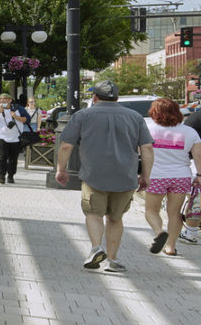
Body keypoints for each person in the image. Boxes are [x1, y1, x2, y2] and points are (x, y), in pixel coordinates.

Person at [57, 80, 153, 274]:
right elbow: (147, 148)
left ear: (95, 97)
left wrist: (61, 168)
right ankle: (112, 259)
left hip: (94, 175)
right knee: (115, 218)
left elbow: (66, 145)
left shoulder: (82, 115)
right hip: (125, 176)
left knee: (93, 213)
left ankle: (95, 248)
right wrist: (145, 176)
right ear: (117, 98)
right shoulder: (135, 117)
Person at [142, 97, 201, 257]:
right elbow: (198, 155)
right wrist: (199, 175)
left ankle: (159, 232)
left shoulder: (147, 128)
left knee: (151, 210)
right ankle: (170, 247)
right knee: (174, 213)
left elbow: (141, 151)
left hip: (156, 175)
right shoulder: (190, 132)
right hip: (181, 176)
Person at [0, 95, 26, 184]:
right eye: (1, 99)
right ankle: (1, 176)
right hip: (1, 137)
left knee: (13, 159)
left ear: (10, 100)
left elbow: (27, 119)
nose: (2, 101)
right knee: (2, 157)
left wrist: (16, 117)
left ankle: (11, 176)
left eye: (5, 99)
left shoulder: (19, 109)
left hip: (15, 138)